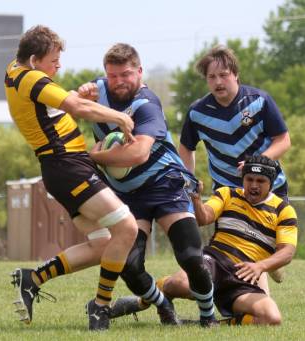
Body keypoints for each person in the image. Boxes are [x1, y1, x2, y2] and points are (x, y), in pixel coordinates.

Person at [4, 25, 139, 331]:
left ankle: (33, 278)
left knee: (104, 243)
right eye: (54, 59)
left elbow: (55, 109)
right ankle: (101, 308)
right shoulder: (31, 78)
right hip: (67, 166)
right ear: (35, 59)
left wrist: (76, 95)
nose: (59, 66)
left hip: (64, 167)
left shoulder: (15, 70)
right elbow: (75, 107)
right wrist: (118, 116)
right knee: (127, 228)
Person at [78, 43, 217, 327]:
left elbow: (138, 154)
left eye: (126, 74)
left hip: (166, 186)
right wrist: (78, 93)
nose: (118, 81)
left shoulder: (146, 104)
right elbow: (69, 102)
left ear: (139, 72)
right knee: (128, 265)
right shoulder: (98, 90)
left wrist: (94, 155)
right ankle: (163, 305)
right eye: (113, 75)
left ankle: (208, 317)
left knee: (190, 257)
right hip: (129, 195)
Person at [112, 155, 298, 325]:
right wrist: (196, 199)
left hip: (245, 276)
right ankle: (147, 298)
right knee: (181, 284)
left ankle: (206, 324)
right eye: (249, 179)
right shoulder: (227, 194)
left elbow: (287, 252)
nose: (254, 185)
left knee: (271, 318)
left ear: (271, 184)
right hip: (215, 262)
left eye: (261, 181)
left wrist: (260, 267)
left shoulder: (283, 210)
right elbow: (203, 218)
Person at [179, 45, 291, 201]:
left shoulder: (259, 101)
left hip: (271, 188)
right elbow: (186, 148)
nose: (218, 82)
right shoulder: (197, 112)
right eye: (211, 77)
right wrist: (188, 182)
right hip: (226, 194)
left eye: (223, 75)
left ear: (236, 74)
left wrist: (254, 164)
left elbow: (283, 140)